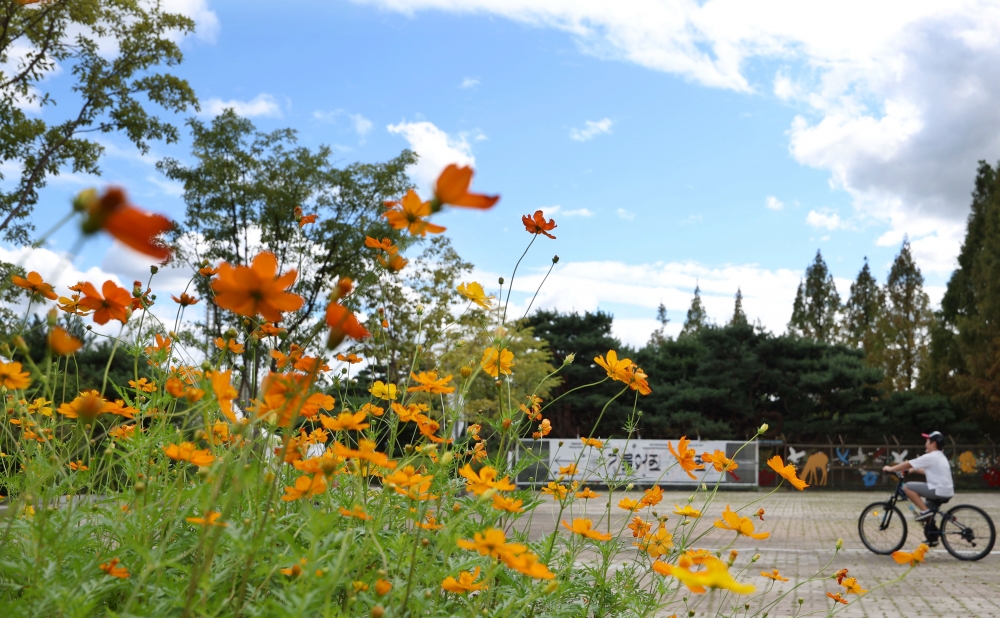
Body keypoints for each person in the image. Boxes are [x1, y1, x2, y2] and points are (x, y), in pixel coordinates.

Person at [882, 431, 954, 521]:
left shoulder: (931, 456)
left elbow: (909, 463)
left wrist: (890, 469)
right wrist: (910, 471)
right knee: (927, 512)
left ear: (933, 444)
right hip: (946, 491)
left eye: (927, 441)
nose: (925, 444)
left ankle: (925, 512)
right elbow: (925, 471)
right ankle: (931, 529)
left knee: (907, 487)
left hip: (939, 490)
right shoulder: (940, 456)